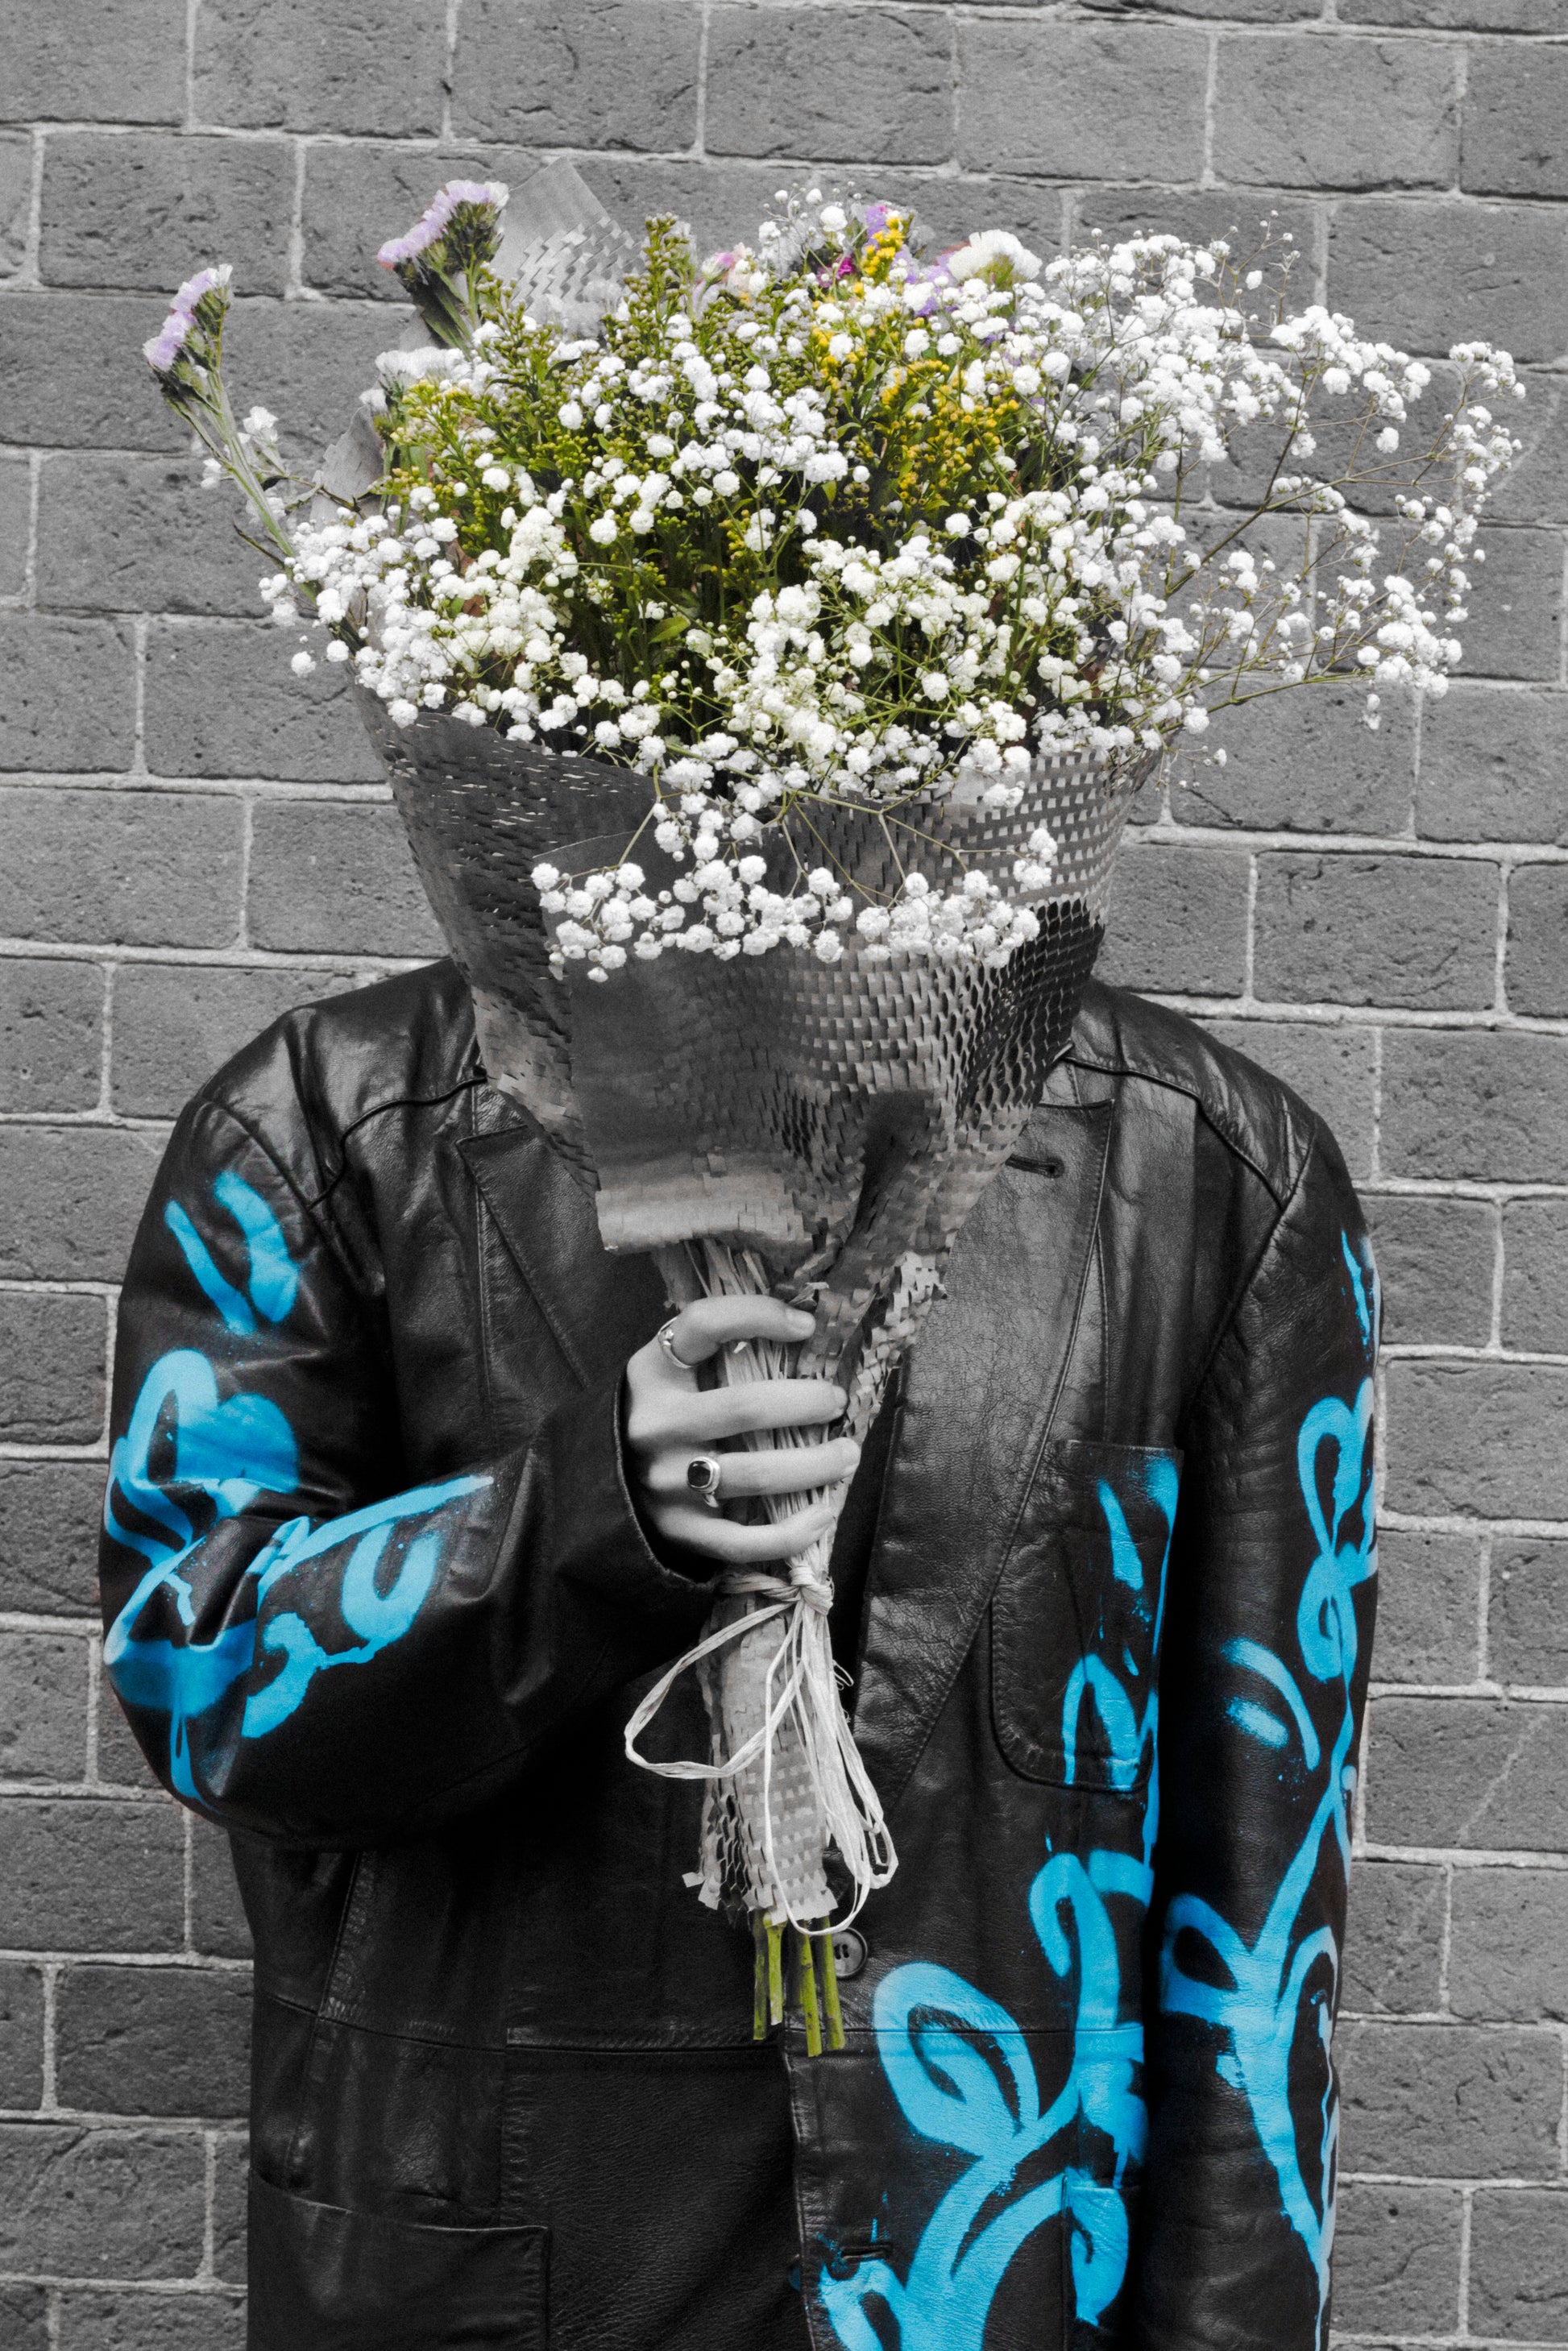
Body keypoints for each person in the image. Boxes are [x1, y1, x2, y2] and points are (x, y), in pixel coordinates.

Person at [100, 952, 1377, 2351]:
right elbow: (197, 1673)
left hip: (991, 2280)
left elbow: (1260, 1907)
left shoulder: (1211, 1167)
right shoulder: (333, 1114)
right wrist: (585, 1518)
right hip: (498, 2264)